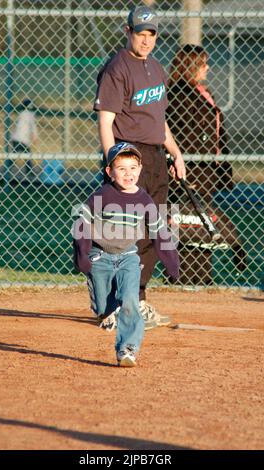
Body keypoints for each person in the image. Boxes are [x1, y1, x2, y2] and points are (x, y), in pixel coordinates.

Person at [93, 4, 186, 329]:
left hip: (156, 159)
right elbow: (106, 122)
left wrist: (175, 153)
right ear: (127, 32)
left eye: (151, 34)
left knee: (151, 231)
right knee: (119, 233)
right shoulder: (117, 68)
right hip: (128, 160)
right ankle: (114, 305)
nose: (146, 40)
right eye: (140, 33)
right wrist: (113, 163)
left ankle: (138, 300)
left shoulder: (157, 69)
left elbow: (159, 122)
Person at [71, 142, 180, 367]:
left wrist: (172, 263)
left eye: (133, 167)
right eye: (121, 168)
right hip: (100, 257)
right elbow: (81, 223)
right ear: (109, 172)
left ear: (140, 169)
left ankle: (127, 348)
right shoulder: (102, 195)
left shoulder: (144, 200)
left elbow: (160, 232)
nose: (128, 173)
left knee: (131, 299)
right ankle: (105, 309)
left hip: (129, 257)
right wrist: (82, 255)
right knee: (104, 307)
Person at [166, 44, 246, 285]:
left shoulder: (201, 90)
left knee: (202, 220)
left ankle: (201, 277)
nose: (207, 68)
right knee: (186, 219)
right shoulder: (178, 94)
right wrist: (174, 160)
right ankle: (181, 277)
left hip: (206, 170)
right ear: (191, 67)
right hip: (187, 167)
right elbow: (176, 132)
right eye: (202, 64)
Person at [10, 98, 38, 175]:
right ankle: (29, 171)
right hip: (23, 139)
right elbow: (33, 126)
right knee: (26, 155)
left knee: (15, 155)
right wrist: (35, 136)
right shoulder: (30, 114)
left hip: (16, 138)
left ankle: (8, 168)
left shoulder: (21, 113)